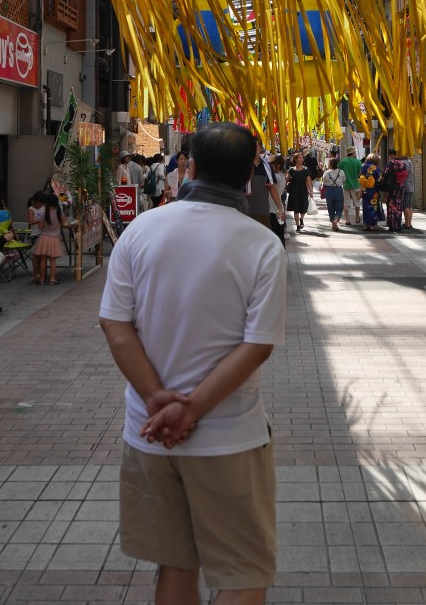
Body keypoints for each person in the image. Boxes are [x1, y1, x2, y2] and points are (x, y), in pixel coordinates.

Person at [99, 122, 286, 605]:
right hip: (230, 437)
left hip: (149, 431)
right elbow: (257, 346)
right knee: (242, 574)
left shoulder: (141, 231)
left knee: (176, 567)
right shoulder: (262, 244)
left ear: (191, 166)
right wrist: (193, 409)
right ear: (249, 176)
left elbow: (114, 324)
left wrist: (157, 400)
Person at [247, 139, 284, 229]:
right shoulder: (243, 165)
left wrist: (280, 208)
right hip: (245, 212)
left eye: (255, 146)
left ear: (260, 148)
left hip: (262, 212)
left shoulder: (267, 167)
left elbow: (273, 188)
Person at [35, 192, 64, 285]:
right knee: (53, 260)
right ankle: (52, 279)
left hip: (44, 238)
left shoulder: (43, 212)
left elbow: (40, 227)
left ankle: (42, 279)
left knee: (43, 259)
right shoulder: (59, 212)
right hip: (55, 238)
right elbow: (63, 223)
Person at [381, 149, 407, 233]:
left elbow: (385, 174)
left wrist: (382, 184)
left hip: (391, 188)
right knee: (398, 206)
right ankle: (397, 225)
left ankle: (392, 225)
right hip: (400, 187)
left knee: (391, 206)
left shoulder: (390, 163)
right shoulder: (402, 164)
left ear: (391, 155)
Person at [286, 151, 313, 231]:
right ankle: (298, 225)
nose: (302, 160)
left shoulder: (306, 169)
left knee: (304, 208)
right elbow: (286, 180)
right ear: (295, 160)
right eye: (300, 158)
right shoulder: (291, 170)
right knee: (296, 209)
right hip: (294, 192)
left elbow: (308, 181)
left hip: (303, 191)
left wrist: (311, 191)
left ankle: (301, 219)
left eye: (302, 158)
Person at [321, 156, 345, 230]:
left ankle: (332, 220)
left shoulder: (326, 172)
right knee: (339, 207)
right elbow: (344, 180)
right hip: (338, 190)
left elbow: (324, 182)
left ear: (330, 164)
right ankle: (336, 220)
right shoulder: (341, 172)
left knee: (330, 207)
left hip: (329, 190)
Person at [358, 153, 382, 231]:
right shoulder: (376, 168)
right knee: (373, 207)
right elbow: (379, 179)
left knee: (365, 207)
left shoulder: (363, 167)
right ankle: (372, 225)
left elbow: (360, 177)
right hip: (373, 190)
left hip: (364, 190)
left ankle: (365, 225)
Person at [339, 146, 362, 225]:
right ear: (352, 153)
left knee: (346, 203)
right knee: (357, 202)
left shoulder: (343, 162)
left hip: (345, 185)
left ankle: (347, 220)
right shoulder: (358, 162)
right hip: (355, 184)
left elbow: (339, 171)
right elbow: (360, 174)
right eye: (355, 152)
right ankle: (357, 218)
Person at [27, 191, 45, 284]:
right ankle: (35, 273)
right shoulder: (31, 209)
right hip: (34, 234)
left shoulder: (43, 208)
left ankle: (41, 274)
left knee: (42, 256)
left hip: (43, 234)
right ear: (36, 201)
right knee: (35, 256)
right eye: (40, 203)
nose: (41, 205)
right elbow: (30, 221)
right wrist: (39, 221)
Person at [400, 154, 414, 229]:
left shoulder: (404, 162)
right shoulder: (409, 161)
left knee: (405, 205)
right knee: (409, 205)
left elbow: (403, 175)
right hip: (410, 186)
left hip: (406, 186)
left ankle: (407, 223)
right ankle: (409, 223)